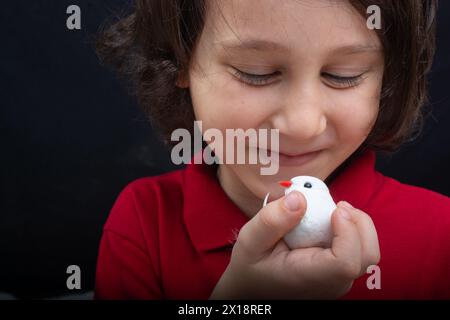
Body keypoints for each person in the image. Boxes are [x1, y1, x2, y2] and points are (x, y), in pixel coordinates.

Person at [94, 0, 450, 299]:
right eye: (256, 72)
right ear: (180, 61)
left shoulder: (439, 236)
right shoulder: (144, 224)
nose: (302, 124)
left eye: (343, 75)